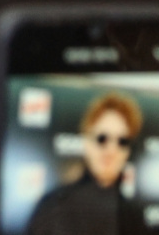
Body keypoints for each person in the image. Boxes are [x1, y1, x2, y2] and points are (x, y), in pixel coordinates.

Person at [27, 92, 147, 235]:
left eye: (122, 141)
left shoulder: (134, 217)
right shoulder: (53, 207)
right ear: (86, 141)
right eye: (102, 138)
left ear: (128, 152)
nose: (111, 150)